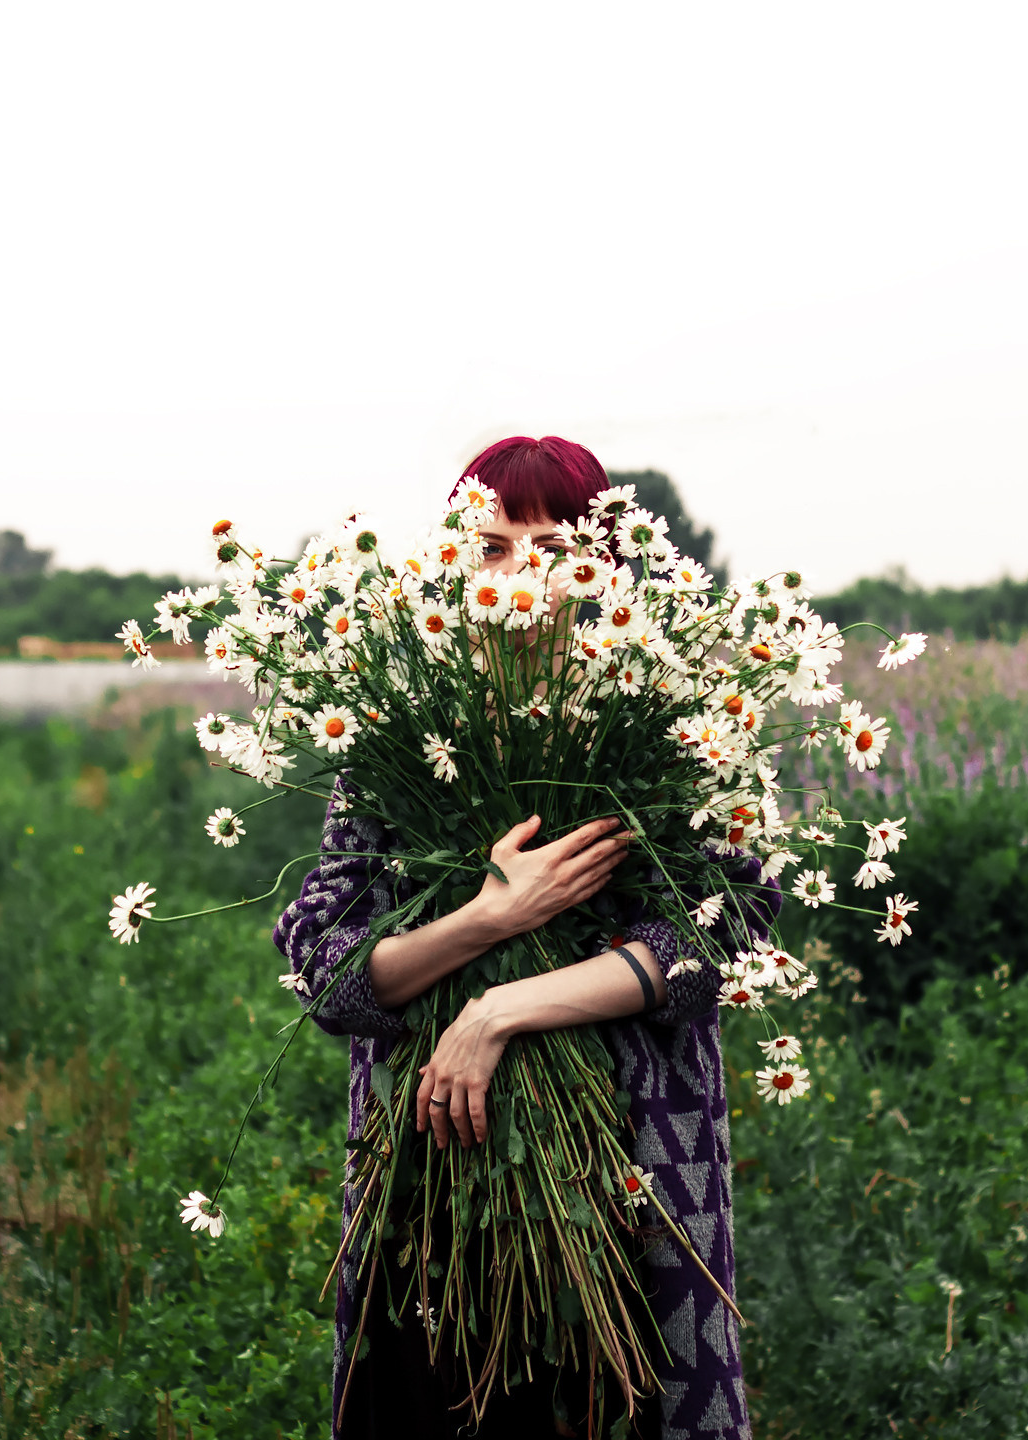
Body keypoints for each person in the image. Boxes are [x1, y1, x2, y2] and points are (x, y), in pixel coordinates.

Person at [275, 436, 779, 1440]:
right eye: (493, 548)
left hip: (631, 1173)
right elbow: (329, 980)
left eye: (552, 546)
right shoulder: (389, 741)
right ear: (452, 564)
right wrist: (491, 919)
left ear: (605, 567)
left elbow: (709, 945)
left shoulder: (679, 732)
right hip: (428, 1164)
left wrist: (495, 1011)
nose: (523, 576)